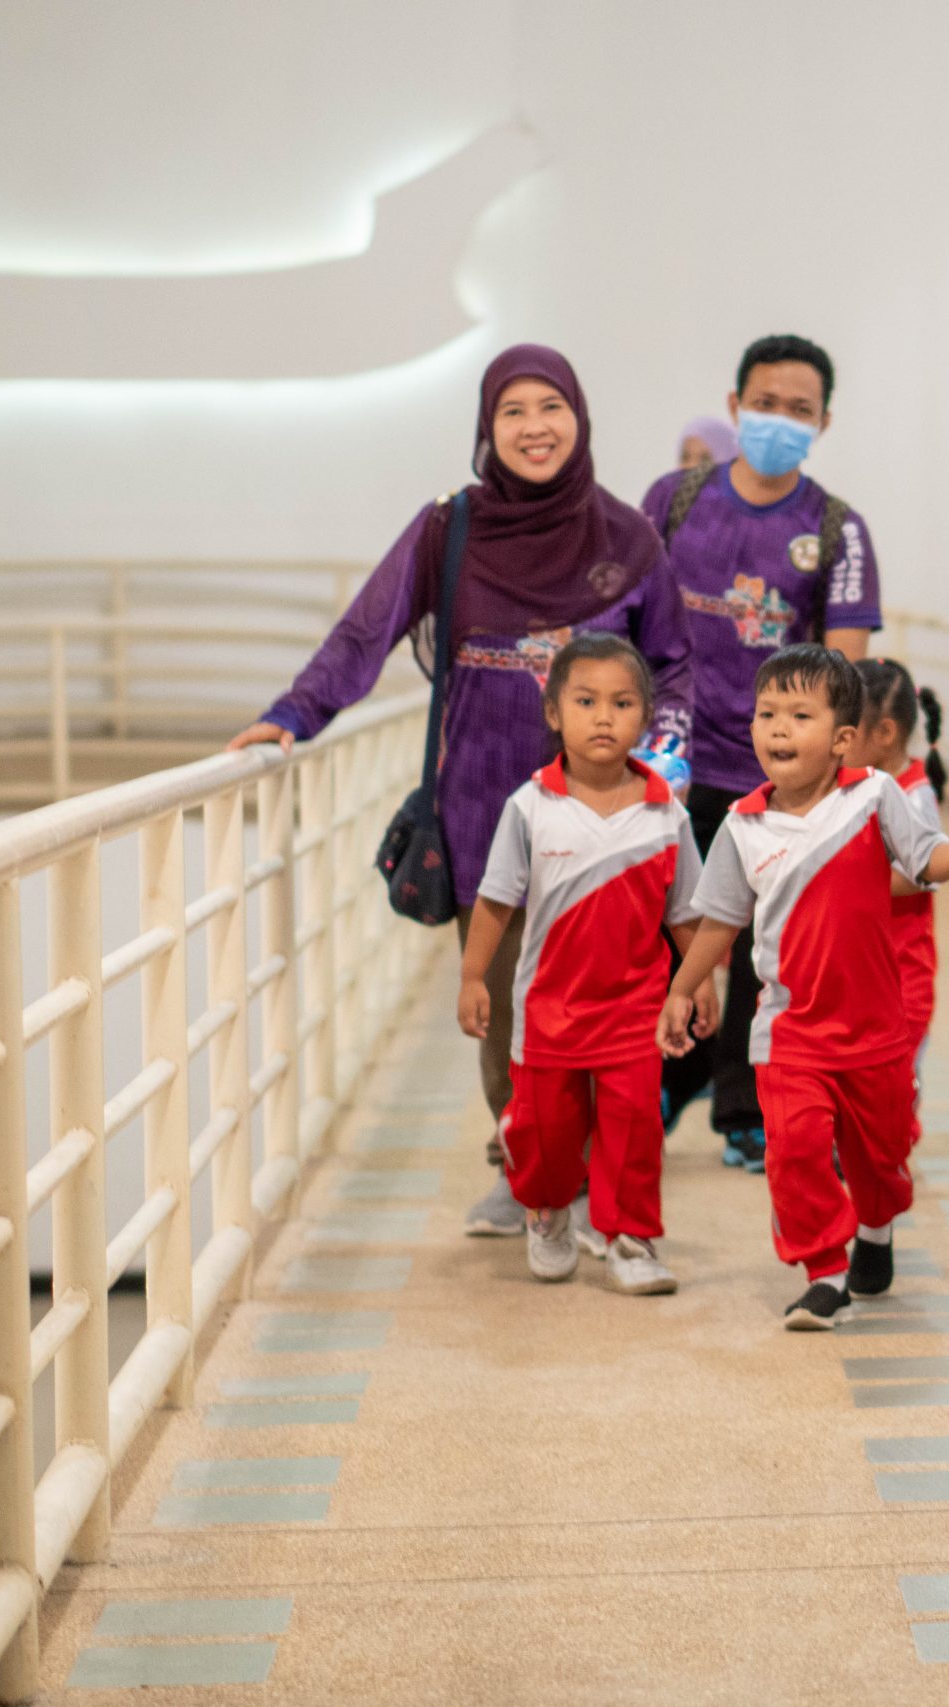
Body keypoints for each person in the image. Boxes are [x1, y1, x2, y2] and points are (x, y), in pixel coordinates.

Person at [230, 345, 692, 1238]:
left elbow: (672, 663)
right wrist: (295, 712)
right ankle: (527, 1169)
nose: (534, 427)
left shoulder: (627, 538)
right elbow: (366, 629)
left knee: (609, 1003)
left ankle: (604, 1172)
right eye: (512, 410)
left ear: (579, 418)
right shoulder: (451, 529)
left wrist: (667, 755)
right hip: (484, 813)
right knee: (510, 1010)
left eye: (550, 407)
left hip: (606, 816)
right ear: (488, 426)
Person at [658, 646, 949, 1331]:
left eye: (800, 715)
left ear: (842, 738)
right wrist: (683, 989)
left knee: (882, 1156)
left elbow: (927, 862)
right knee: (796, 1151)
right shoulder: (744, 825)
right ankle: (824, 1271)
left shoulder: (874, 796)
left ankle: (877, 1224)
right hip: (790, 1032)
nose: (778, 727)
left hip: (877, 1032)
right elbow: (719, 922)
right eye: (766, 713)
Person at [646, 335, 883, 1174]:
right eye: (766, 404)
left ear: (823, 421)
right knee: (663, 940)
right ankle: (653, 1087)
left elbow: (846, 668)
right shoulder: (673, 500)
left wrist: (825, 774)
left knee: (765, 949)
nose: (780, 420)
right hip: (673, 768)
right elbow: (631, 617)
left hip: (777, 776)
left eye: (799, 409)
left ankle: (747, 1112)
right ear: (736, 405)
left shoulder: (837, 529)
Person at [457, 634, 711, 1295]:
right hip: (549, 1013)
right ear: (553, 712)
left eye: (622, 703)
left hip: (634, 1011)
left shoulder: (665, 811)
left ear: (645, 717)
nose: (604, 717)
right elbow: (495, 901)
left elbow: (687, 911)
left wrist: (700, 980)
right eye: (586, 701)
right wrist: (472, 977)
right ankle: (547, 1213)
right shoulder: (530, 806)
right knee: (545, 1136)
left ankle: (632, 1239)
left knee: (634, 1131)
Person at [845, 656, 948, 1075]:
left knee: (888, 1093)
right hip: (852, 977)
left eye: (847, 729)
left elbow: (917, 874)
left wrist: (835, 873)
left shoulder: (915, 796)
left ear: (885, 733)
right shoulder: (849, 783)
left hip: (898, 985)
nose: (836, 738)